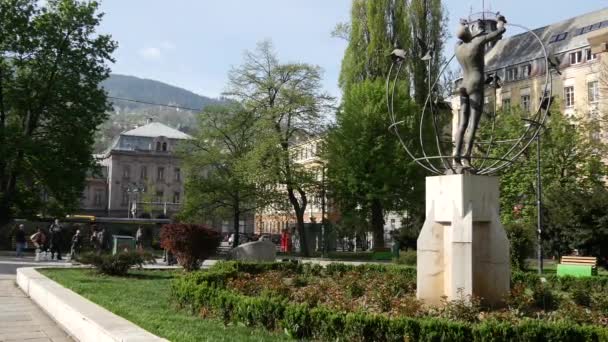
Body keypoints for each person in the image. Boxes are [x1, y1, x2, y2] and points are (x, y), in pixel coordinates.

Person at [453, 15, 507, 171]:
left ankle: (456, 154)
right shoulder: (477, 42)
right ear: (470, 32)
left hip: (463, 86)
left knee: (462, 123)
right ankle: (466, 158)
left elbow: (460, 36)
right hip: (476, 85)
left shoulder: (458, 47)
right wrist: (501, 21)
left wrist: (463, 26)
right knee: (472, 124)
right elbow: (499, 32)